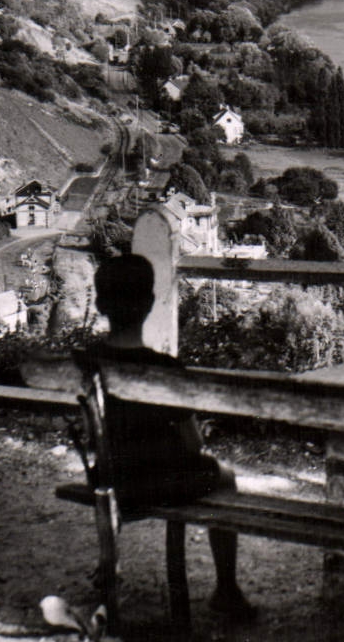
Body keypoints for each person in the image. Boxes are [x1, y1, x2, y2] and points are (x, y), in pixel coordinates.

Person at [81, 254, 254, 621]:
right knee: (225, 479)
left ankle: (106, 564)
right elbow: (193, 445)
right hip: (160, 483)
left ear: (99, 305)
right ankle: (226, 589)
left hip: (109, 477)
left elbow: (89, 430)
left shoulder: (89, 360)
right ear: (149, 303)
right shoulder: (166, 369)